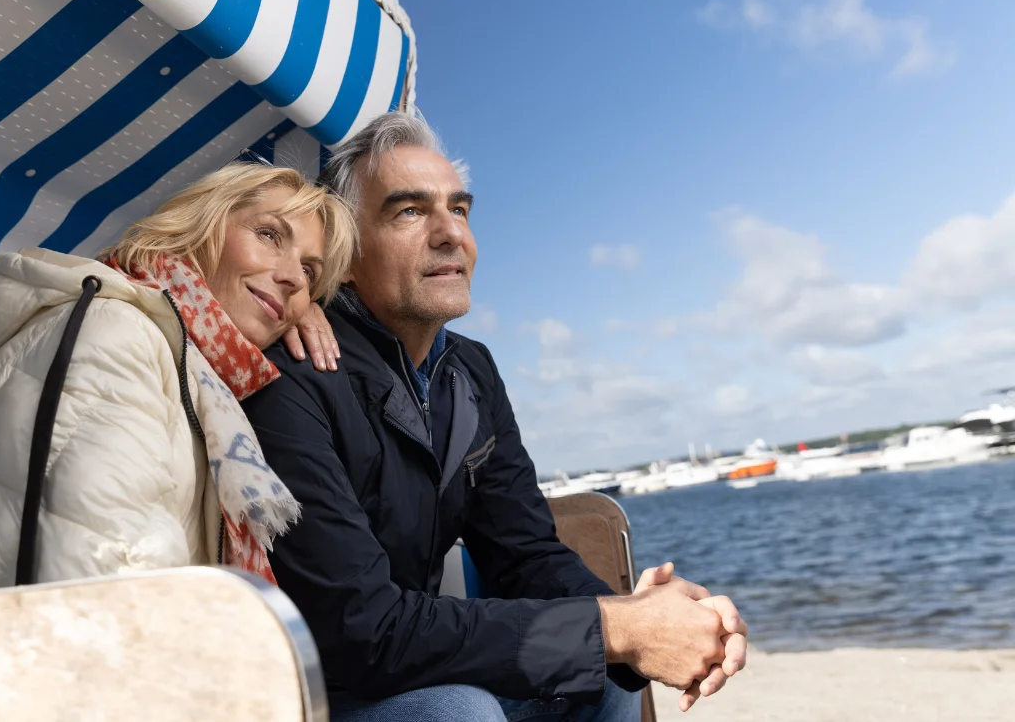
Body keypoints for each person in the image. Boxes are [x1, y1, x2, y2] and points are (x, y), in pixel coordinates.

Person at [241, 113, 749, 721]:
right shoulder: (291, 373)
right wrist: (613, 627)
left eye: (458, 209)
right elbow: (363, 630)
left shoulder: (470, 371)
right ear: (345, 254)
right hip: (318, 691)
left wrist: (638, 621)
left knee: (605, 678)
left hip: (409, 660)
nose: (449, 232)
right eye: (408, 212)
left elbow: (525, 551)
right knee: (459, 711)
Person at [0, 161, 356, 589]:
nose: (295, 279)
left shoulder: (186, 365)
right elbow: (102, 577)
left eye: (311, 274)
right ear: (198, 229)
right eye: (270, 235)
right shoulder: (118, 333)